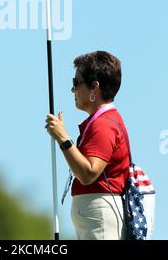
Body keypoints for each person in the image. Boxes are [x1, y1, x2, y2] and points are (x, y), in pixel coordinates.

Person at [45, 50, 129, 240]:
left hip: (100, 217)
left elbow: (88, 173)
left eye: (76, 83)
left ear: (94, 87)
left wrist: (63, 138)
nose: (73, 90)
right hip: (96, 217)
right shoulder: (102, 121)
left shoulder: (104, 125)